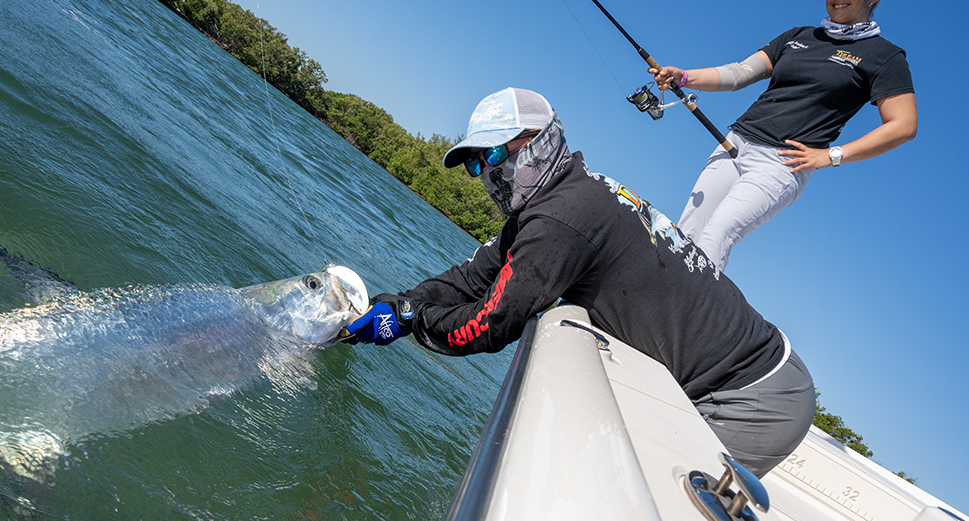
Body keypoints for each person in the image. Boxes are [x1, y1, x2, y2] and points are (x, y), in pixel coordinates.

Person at [342, 87, 814, 477]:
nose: (487, 174)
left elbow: (490, 324)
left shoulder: (561, 217)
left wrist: (412, 320)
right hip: (732, 379)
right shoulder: (560, 197)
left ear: (541, 139)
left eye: (492, 154)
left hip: (752, 395)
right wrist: (400, 304)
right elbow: (472, 277)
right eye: (475, 164)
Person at [649, 0, 917, 271]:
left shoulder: (884, 57)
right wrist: (683, 76)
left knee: (716, 236)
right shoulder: (798, 36)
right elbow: (739, 74)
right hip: (734, 144)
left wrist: (831, 156)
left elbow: (903, 125)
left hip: (781, 165)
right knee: (685, 233)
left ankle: (686, 319)